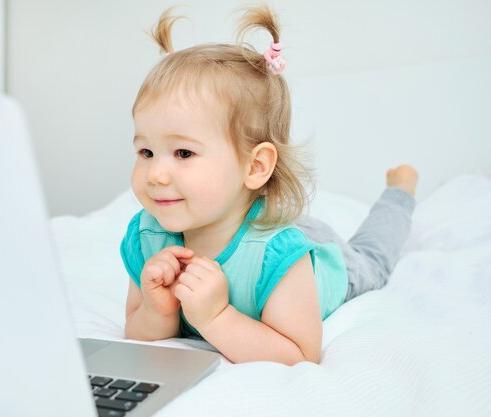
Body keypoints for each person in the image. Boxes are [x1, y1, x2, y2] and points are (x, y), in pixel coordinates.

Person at [120, 5, 418, 365]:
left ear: (255, 166)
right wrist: (158, 310)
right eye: (146, 151)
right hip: (253, 217)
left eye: (183, 152)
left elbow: (299, 354)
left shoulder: (280, 256)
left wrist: (216, 318)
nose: (155, 174)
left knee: (374, 257)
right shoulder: (148, 236)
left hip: (313, 260)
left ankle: (400, 189)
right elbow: (136, 330)